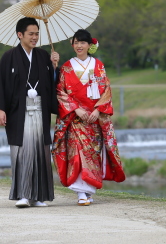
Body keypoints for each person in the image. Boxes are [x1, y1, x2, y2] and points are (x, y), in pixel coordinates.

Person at [0, 17, 59, 208]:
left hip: (39, 109)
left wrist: (53, 67)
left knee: (40, 152)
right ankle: (23, 195)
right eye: (31, 34)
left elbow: (51, 84)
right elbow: (0, 85)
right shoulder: (8, 57)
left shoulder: (43, 56)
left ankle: (37, 196)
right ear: (20, 35)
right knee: (21, 152)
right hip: (18, 112)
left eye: (37, 34)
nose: (35, 37)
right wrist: (0, 110)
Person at [52, 29, 125, 206]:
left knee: (92, 154)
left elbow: (106, 90)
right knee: (78, 153)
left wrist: (98, 111)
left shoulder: (98, 65)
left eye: (82, 42)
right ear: (72, 44)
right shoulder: (67, 66)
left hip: (94, 118)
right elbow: (60, 91)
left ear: (89, 45)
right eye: (76, 42)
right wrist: (76, 109)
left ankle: (88, 189)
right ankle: (80, 193)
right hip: (75, 119)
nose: (79, 46)